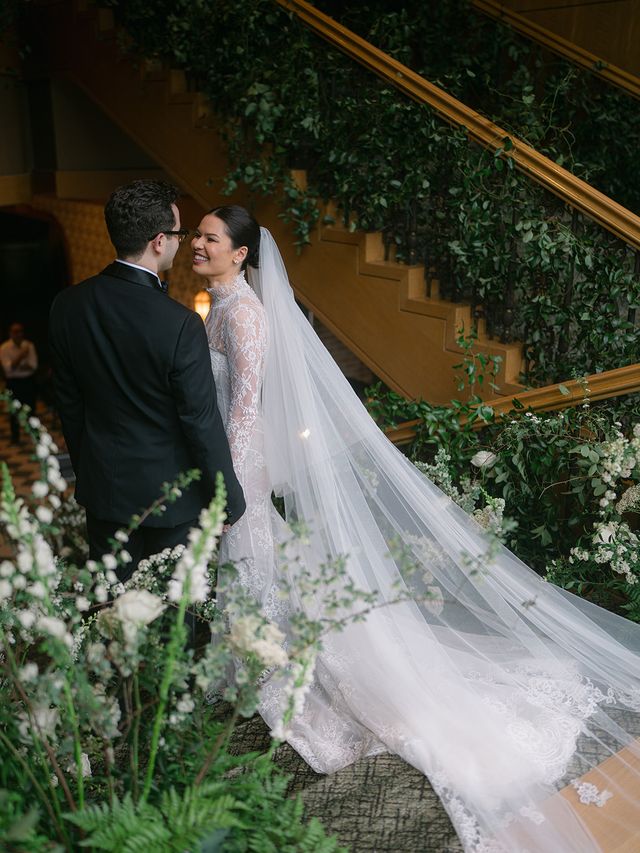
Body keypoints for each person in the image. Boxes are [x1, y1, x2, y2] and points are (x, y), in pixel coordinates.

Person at [192, 204, 640, 852]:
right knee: (261, 572)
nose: (196, 244)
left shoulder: (245, 315)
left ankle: (264, 666)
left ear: (239, 252)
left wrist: (227, 489)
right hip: (234, 468)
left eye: (208, 237)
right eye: (197, 235)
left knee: (259, 566)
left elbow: (241, 412)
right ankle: (252, 659)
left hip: (239, 470)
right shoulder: (220, 306)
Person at [48, 180, 245, 578]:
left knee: (111, 620)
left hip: (104, 493)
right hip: (172, 502)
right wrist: (229, 498)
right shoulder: (180, 324)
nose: (182, 243)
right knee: (171, 625)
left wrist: (94, 474)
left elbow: (69, 406)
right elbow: (199, 421)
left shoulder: (67, 305)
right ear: (159, 241)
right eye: (178, 234)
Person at [1, 321, 38, 444]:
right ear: (10, 333)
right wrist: (22, 356)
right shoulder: (4, 348)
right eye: (15, 332)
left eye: (21, 331)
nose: (19, 334)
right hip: (13, 383)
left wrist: (16, 366)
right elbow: (8, 369)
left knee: (31, 409)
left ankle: (35, 436)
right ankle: (15, 437)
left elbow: (33, 366)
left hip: (28, 381)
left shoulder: (29, 345)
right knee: (13, 411)